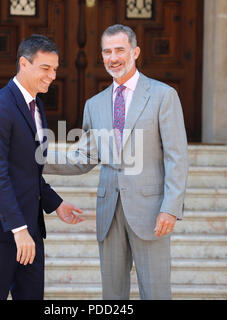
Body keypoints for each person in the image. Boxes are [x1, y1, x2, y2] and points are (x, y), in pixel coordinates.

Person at [44, 24, 188, 300]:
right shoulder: (94, 105)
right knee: (112, 296)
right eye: (107, 51)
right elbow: (83, 157)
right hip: (109, 210)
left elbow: (176, 156)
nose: (113, 57)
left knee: (155, 292)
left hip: (150, 210)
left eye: (119, 50)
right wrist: (35, 160)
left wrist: (170, 208)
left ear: (135, 52)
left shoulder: (163, 96)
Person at [0, 34, 84, 300]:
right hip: (0, 227)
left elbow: (29, 168)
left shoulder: (37, 105)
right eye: (45, 68)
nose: (52, 76)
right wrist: (18, 231)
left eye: (55, 69)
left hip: (29, 225)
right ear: (24, 63)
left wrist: (55, 203)